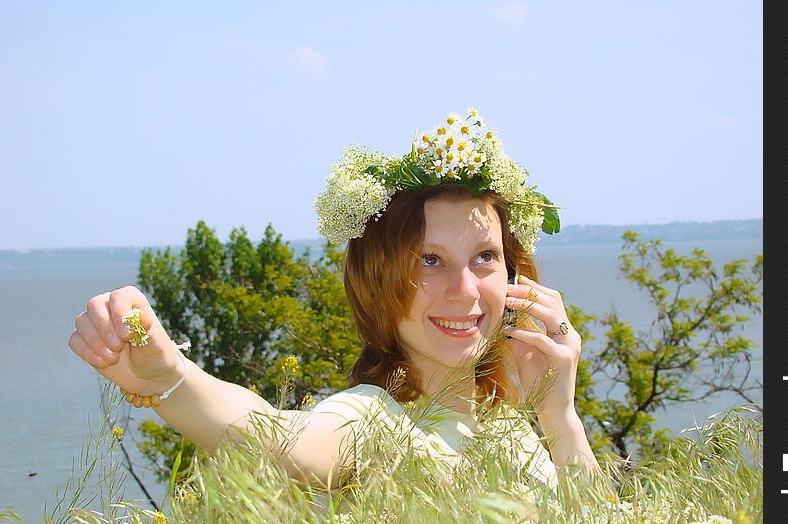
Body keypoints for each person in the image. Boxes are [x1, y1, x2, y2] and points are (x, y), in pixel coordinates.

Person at [69, 109, 599, 491]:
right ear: (376, 282)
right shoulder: (377, 422)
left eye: (485, 256)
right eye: (428, 260)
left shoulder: (507, 422)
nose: (465, 290)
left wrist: (560, 417)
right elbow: (281, 441)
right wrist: (170, 379)